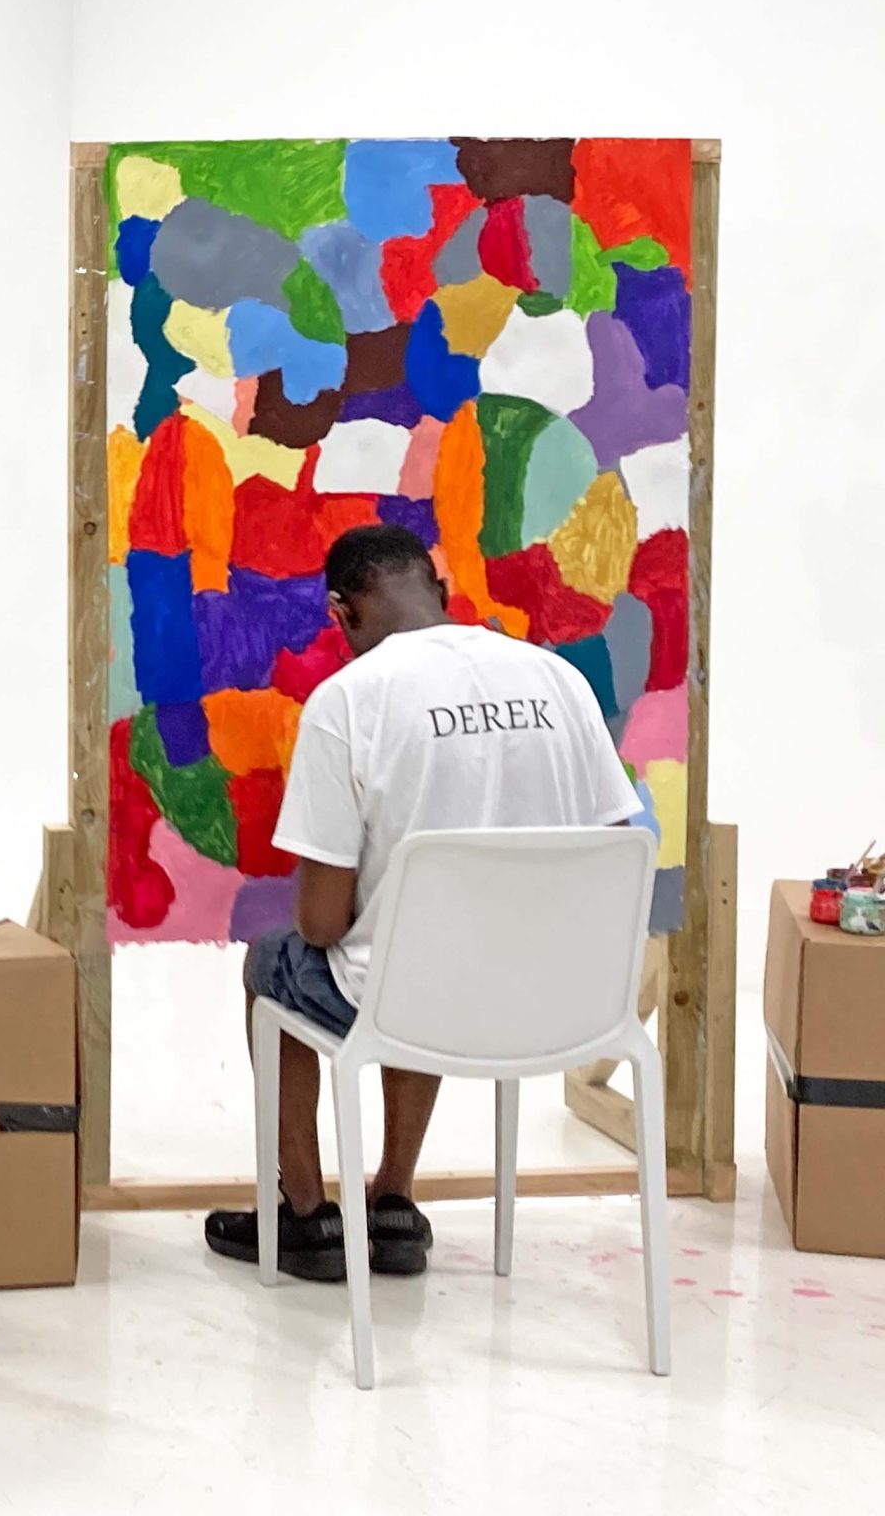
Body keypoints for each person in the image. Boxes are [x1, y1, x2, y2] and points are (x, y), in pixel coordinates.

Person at [204, 523, 641, 1281]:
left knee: (282, 959)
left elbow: (320, 923)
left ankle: (307, 1216)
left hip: (419, 1002)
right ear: (441, 589)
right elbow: (610, 849)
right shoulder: (558, 680)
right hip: (563, 1009)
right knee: (423, 946)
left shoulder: (349, 702)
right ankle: (393, 1201)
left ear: (341, 615)